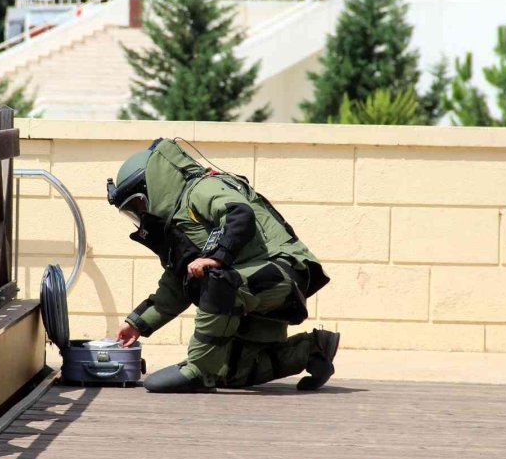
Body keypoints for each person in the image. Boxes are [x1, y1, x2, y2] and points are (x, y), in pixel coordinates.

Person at [106, 138, 339, 393]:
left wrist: (216, 257)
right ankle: (313, 350)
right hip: (246, 291)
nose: (140, 214)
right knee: (233, 372)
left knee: (216, 278)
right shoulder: (178, 226)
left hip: (280, 273)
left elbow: (239, 214)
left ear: (151, 185)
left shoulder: (201, 189)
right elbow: (175, 287)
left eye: (138, 204)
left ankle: (198, 370)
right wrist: (137, 324)